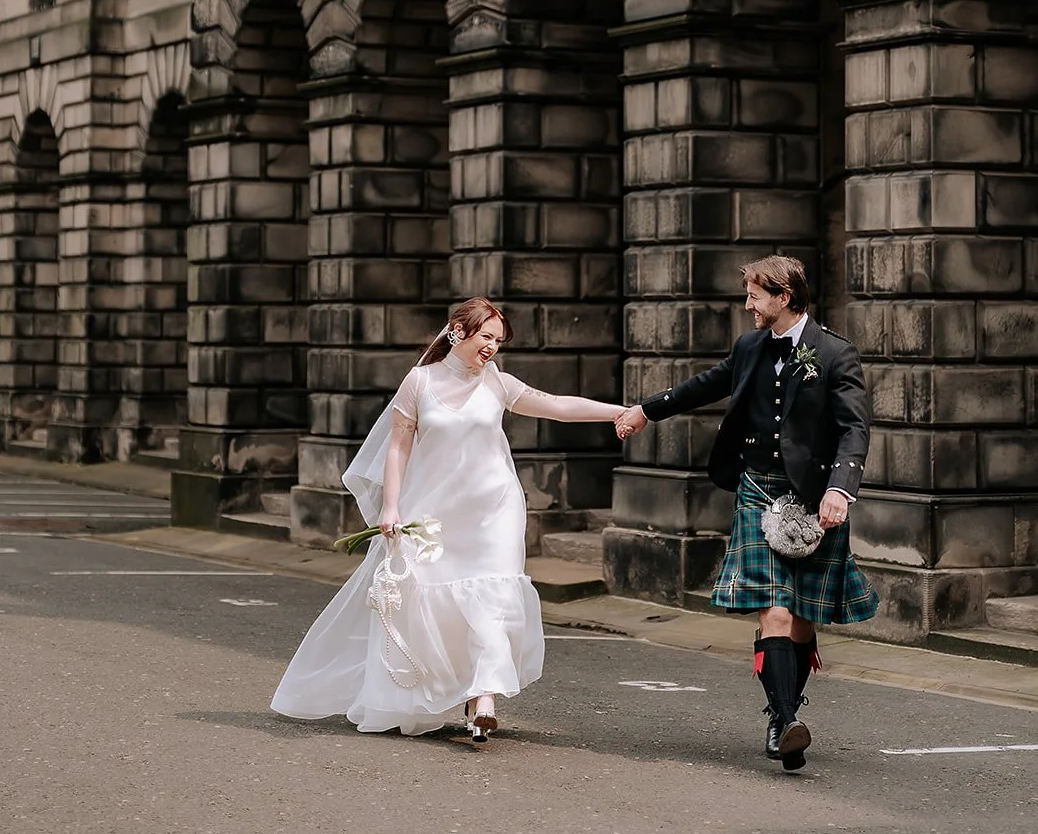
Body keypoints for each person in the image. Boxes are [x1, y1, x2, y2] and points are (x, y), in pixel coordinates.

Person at [272, 296, 625, 740]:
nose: (492, 347)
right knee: (431, 603)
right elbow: (398, 448)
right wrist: (391, 506)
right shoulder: (419, 382)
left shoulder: (498, 384)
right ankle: (453, 690)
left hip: (494, 509)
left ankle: (484, 696)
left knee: (494, 595)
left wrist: (620, 411)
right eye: (486, 336)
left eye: (499, 340)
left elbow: (556, 405)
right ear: (458, 331)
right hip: (434, 513)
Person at [616, 255, 878, 772]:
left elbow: (855, 427)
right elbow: (704, 384)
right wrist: (646, 410)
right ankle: (784, 721)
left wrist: (840, 489)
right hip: (758, 489)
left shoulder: (834, 352)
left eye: (755, 296)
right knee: (774, 610)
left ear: (784, 297)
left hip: (814, 494)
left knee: (801, 619)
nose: (747, 305)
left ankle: (785, 713)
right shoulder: (749, 346)